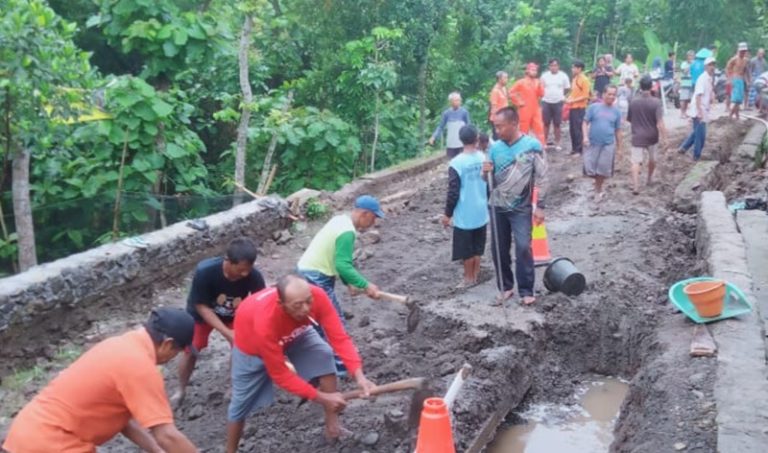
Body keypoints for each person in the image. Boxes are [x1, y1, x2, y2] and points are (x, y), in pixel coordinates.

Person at [3, 308, 198, 453]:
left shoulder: (116, 345)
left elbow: (123, 421)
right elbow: (166, 435)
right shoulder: (140, 367)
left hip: (25, 434)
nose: (174, 357)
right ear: (168, 343)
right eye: (178, 352)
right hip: (54, 443)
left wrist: (157, 451)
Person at [225, 274, 376, 451]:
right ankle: (230, 450)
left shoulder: (317, 296)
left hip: (295, 332)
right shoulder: (265, 322)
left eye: (308, 301)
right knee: (239, 405)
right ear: (281, 304)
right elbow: (280, 375)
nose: (306, 309)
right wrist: (322, 398)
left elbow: (339, 338)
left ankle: (332, 427)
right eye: (298, 304)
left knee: (323, 354)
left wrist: (359, 376)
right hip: (251, 347)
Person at [175, 237, 266, 405]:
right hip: (202, 314)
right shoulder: (205, 271)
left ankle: (233, 387)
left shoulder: (254, 276)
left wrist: (253, 333)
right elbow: (202, 306)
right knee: (192, 347)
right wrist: (228, 333)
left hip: (234, 315)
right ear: (228, 261)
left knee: (240, 347)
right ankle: (181, 389)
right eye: (240, 270)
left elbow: (260, 304)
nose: (245, 274)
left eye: (248, 269)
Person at [484, 107, 547, 306]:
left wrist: (541, 206)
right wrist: (484, 171)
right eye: (495, 127)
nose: (497, 131)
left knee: (522, 247)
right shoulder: (494, 148)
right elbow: (486, 177)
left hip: (521, 207)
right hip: (497, 206)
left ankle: (526, 289)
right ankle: (505, 287)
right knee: (498, 248)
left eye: (500, 126)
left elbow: (543, 176)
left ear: (513, 124)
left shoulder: (532, 146)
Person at [297, 195, 383, 321]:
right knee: (333, 321)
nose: (374, 222)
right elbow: (342, 265)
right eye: (374, 217)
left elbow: (336, 257)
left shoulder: (340, 220)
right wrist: (366, 285)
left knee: (317, 318)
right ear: (365, 214)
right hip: (316, 276)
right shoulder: (347, 232)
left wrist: (349, 282)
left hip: (307, 271)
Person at [442, 125, 488, 288]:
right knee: (477, 246)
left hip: (465, 213)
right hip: (481, 210)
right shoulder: (483, 158)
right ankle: (475, 275)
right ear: (476, 139)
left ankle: (468, 279)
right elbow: (488, 184)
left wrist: (447, 214)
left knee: (466, 248)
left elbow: (453, 191)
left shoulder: (457, 163)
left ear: (461, 140)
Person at [627, 76, 668, 195]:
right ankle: (649, 178)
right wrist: (665, 138)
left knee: (635, 162)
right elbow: (660, 122)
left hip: (637, 135)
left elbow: (629, 119)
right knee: (652, 159)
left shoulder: (633, 101)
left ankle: (635, 186)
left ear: (640, 87)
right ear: (651, 87)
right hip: (652, 136)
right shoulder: (656, 102)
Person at [582, 85, 622, 201]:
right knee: (590, 169)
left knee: (603, 169)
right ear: (603, 94)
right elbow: (585, 122)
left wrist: (620, 148)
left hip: (608, 143)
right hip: (593, 142)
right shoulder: (594, 108)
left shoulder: (617, 112)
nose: (611, 96)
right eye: (609, 94)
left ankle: (598, 189)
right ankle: (596, 185)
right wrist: (585, 136)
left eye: (614, 94)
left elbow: (618, 130)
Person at [679, 57, 716, 161]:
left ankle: (683, 147)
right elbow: (698, 96)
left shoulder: (709, 78)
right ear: (705, 67)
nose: (712, 67)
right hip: (699, 109)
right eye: (710, 65)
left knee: (697, 132)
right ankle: (696, 156)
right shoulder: (702, 78)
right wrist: (699, 112)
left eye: (713, 65)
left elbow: (708, 92)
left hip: (704, 109)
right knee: (700, 136)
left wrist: (712, 96)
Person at [509, 62, 545, 144]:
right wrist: (519, 102)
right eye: (532, 70)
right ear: (527, 71)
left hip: (535, 109)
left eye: (536, 70)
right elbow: (511, 92)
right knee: (523, 129)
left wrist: (541, 85)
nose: (534, 72)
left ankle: (541, 147)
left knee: (539, 128)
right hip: (524, 109)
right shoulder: (521, 82)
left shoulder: (537, 82)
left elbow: (542, 94)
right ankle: (522, 147)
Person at [540, 58, 571, 151]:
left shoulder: (563, 76)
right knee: (546, 123)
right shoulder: (544, 76)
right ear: (549, 66)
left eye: (555, 65)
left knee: (557, 124)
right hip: (546, 101)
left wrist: (561, 95)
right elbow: (540, 88)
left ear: (558, 66)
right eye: (552, 65)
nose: (554, 67)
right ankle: (544, 142)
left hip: (558, 102)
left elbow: (567, 88)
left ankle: (557, 143)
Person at [429, 92, 471, 158]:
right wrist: (433, 137)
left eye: (459, 100)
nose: (458, 102)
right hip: (451, 144)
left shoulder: (464, 112)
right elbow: (440, 126)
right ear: (451, 102)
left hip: (462, 144)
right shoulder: (446, 114)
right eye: (456, 100)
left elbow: (469, 126)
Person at [566, 59, 591, 155]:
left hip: (580, 107)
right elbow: (573, 92)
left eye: (574, 67)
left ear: (579, 68)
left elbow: (586, 95)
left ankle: (579, 150)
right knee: (572, 128)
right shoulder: (575, 79)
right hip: (572, 107)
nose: (572, 69)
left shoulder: (584, 80)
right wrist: (568, 98)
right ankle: (574, 148)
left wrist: (573, 100)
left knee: (578, 129)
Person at [725, 42, 750, 119]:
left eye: (744, 51)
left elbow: (745, 71)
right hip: (735, 79)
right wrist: (730, 79)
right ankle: (730, 116)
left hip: (741, 79)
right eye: (741, 51)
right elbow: (727, 68)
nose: (743, 52)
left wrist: (747, 81)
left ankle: (737, 116)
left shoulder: (746, 60)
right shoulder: (734, 59)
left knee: (739, 100)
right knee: (735, 99)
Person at [488, 71, 510, 139]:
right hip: (498, 119)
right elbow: (494, 107)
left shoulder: (504, 88)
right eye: (505, 78)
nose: (507, 79)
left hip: (504, 118)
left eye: (507, 78)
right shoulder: (495, 91)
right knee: (498, 138)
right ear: (499, 79)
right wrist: (497, 121)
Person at [680, 50, 695, 118]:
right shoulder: (684, 63)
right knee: (683, 98)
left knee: (688, 99)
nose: (691, 57)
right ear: (687, 56)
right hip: (685, 82)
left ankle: (686, 112)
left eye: (692, 55)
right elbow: (685, 72)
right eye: (689, 55)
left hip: (692, 82)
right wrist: (690, 65)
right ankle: (682, 113)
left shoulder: (695, 63)